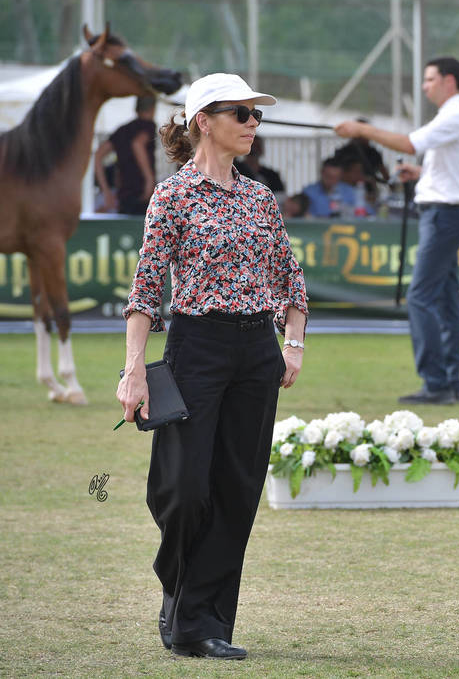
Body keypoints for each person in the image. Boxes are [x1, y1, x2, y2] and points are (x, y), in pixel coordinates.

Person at [115, 73, 308, 660]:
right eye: (241, 114)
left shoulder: (259, 197)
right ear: (205, 119)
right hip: (195, 346)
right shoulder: (171, 196)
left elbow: (288, 277)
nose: (253, 125)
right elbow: (146, 289)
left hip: (256, 352)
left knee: (238, 487)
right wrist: (133, 369)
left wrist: (292, 342)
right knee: (184, 488)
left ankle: (201, 623)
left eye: (256, 116)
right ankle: (178, 584)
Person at [334, 56, 459, 405]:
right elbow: (447, 168)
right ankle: (449, 382)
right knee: (444, 300)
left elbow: (409, 144)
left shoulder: (454, 115)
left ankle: (436, 382)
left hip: (443, 215)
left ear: (448, 81)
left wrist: (362, 130)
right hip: (446, 213)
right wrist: (421, 175)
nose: (425, 85)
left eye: (429, 80)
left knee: (420, 296)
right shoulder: (452, 116)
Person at [94, 95, 157, 215]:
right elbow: (137, 144)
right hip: (142, 191)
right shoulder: (148, 125)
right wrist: (149, 179)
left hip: (123, 194)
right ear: (153, 108)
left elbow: (97, 155)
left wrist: (105, 190)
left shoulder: (122, 130)